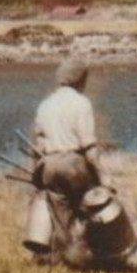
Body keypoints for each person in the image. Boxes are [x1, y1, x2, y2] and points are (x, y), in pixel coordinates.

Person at [28, 58, 109, 261]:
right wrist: (103, 177)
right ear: (81, 80)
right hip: (73, 165)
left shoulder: (45, 105)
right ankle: (95, 256)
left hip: (49, 165)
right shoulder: (81, 103)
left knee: (60, 216)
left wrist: (36, 174)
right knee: (90, 208)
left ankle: (62, 259)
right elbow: (89, 146)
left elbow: (38, 146)